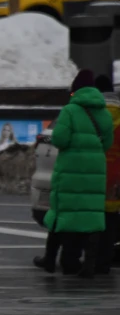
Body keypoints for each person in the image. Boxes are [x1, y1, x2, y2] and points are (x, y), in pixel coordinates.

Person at [34, 69, 113, 277]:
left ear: (76, 91)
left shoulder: (70, 111)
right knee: (91, 216)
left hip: (70, 169)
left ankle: (50, 259)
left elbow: (60, 140)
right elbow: (108, 143)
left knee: (61, 213)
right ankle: (89, 265)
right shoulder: (104, 113)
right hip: (95, 170)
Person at [96, 74, 120, 273]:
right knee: (111, 219)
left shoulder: (92, 114)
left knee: (92, 219)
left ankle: (90, 260)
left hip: (93, 174)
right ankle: (105, 260)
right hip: (116, 177)